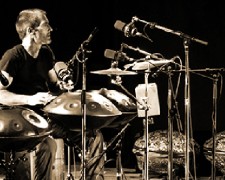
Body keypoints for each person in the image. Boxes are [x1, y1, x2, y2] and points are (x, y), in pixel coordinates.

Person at [0, 8, 104, 180]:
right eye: (46, 25)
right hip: (23, 123)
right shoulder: (13, 56)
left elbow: (54, 82)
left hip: (47, 118)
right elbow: (0, 93)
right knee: (47, 145)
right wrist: (30, 99)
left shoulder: (46, 53)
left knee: (93, 136)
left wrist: (64, 84)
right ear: (31, 31)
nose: (51, 29)